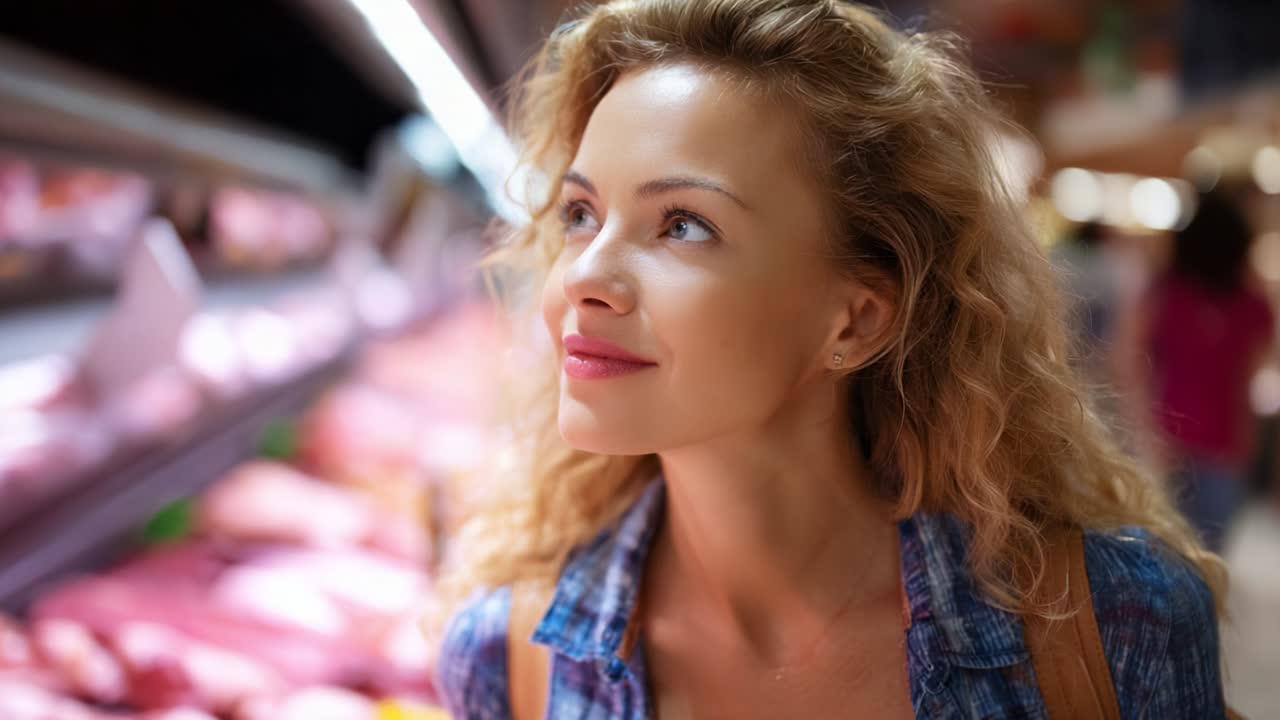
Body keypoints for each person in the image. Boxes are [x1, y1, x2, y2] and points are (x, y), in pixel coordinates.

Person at [437, 1, 1229, 717]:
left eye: (683, 224)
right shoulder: (508, 660)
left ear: (855, 319)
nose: (580, 276)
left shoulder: (1115, 624)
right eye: (580, 213)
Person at [1116, 189, 1274, 552]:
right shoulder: (1250, 301)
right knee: (1207, 554)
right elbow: (1250, 378)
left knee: (1160, 554)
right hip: (1220, 443)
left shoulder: (1165, 291)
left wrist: (1142, 429)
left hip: (1167, 436)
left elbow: (1126, 363)